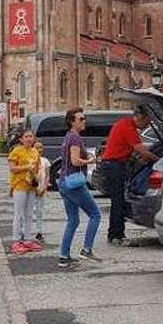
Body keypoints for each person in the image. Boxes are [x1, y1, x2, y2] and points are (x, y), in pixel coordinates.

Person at [98, 106, 160, 246]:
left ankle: (117, 234)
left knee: (118, 200)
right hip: (115, 166)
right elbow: (141, 150)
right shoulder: (129, 128)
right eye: (147, 122)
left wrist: (139, 159)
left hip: (113, 165)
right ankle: (116, 235)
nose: (146, 126)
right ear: (140, 117)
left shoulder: (122, 124)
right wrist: (159, 160)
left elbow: (129, 149)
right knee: (118, 201)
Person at [58, 108, 102, 268]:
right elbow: (75, 161)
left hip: (63, 181)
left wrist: (87, 157)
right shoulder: (75, 138)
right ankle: (87, 249)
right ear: (72, 121)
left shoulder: (69, 137)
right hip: (74, 183)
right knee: (95, 215)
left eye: (84, 119)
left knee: (73, 220)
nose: (84, 121)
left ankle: (64, 256)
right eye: (81, 119)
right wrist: (90, 161)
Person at [7, 131, 44, 255]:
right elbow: (12, 168)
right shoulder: (16, 151)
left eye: (31, 136)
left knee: (29, 214)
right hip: (19, 185)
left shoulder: (35, 152)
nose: (29, 139)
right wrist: (26, 167)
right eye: (26, 137)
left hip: (31, 186)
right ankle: (16, 240)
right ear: (21, 139)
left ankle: (28, 238)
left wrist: (37, 179)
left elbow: (37, 169)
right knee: (19, 214)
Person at [33, 140, 49, 243]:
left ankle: (39, 232)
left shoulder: (45, 161)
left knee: (40, 211)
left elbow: (47, 176)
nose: (39, 150)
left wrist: (44, 187)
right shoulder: (30, 160)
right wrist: (34, 189)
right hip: (31, 190)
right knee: (29, 212)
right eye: (37, 147)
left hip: (41, 189)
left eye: (41, 147)